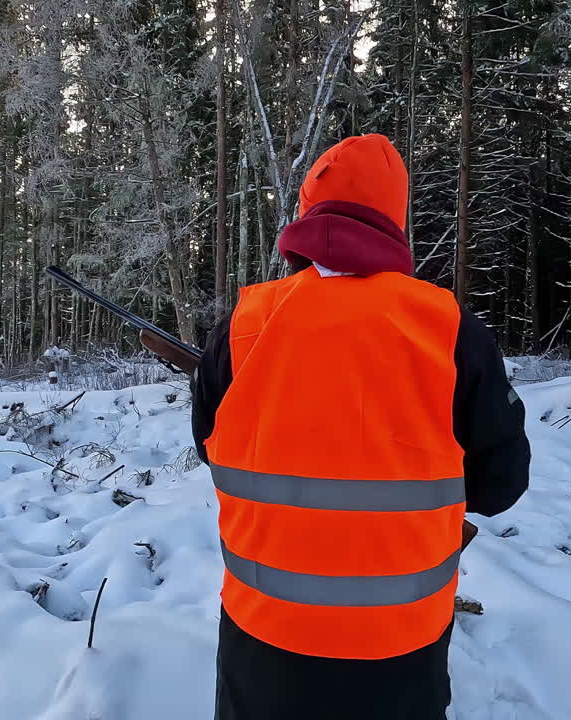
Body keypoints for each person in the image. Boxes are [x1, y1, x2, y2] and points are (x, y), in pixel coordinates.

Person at [192, 134, 530, 720]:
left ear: (305, 214)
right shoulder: (450, 330)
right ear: (395, 222)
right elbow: (501, 486)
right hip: (401, 653)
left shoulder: (240, 326)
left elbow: (211, 450)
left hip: (261, 642)